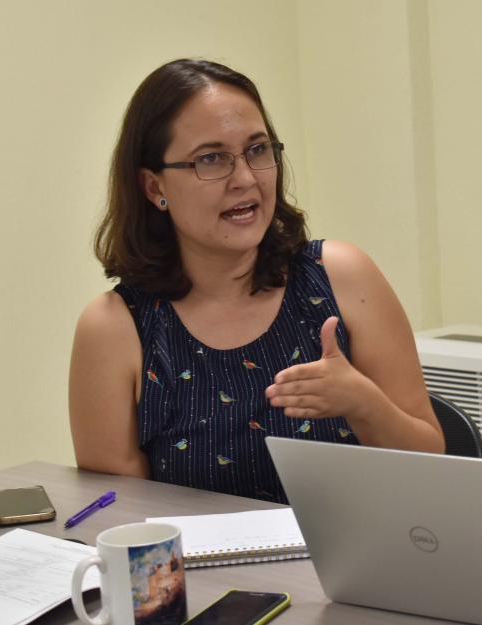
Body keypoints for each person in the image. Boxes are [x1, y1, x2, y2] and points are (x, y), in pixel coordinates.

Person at [69, 59, 443, 504]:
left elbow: (432, 463)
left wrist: (364, 403)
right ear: (153, 187)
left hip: (354, 568)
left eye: (258, 150)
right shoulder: (114, 328)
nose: (245, 179)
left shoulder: (340, 276)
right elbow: (118, 521)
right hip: (199, 573)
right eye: (211, 159)